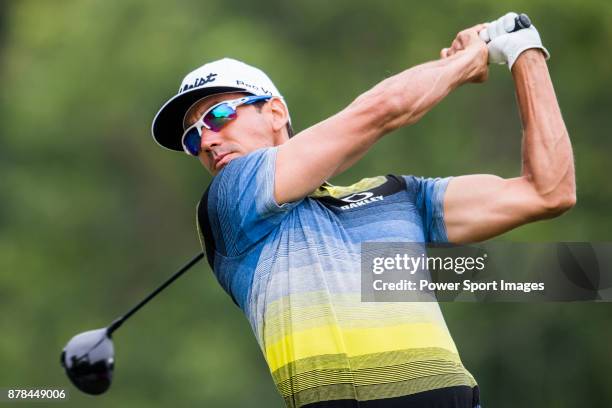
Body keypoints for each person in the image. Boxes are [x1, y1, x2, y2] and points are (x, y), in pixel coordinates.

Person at [151, 13, 575, 408]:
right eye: (192, 138)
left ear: (276, 111)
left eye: (219, 115)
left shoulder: (396, 195)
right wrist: (472, 57)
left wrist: (524, 52)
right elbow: (379, 112)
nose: (205, 141)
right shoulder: (229, 200)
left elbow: (548, 191)